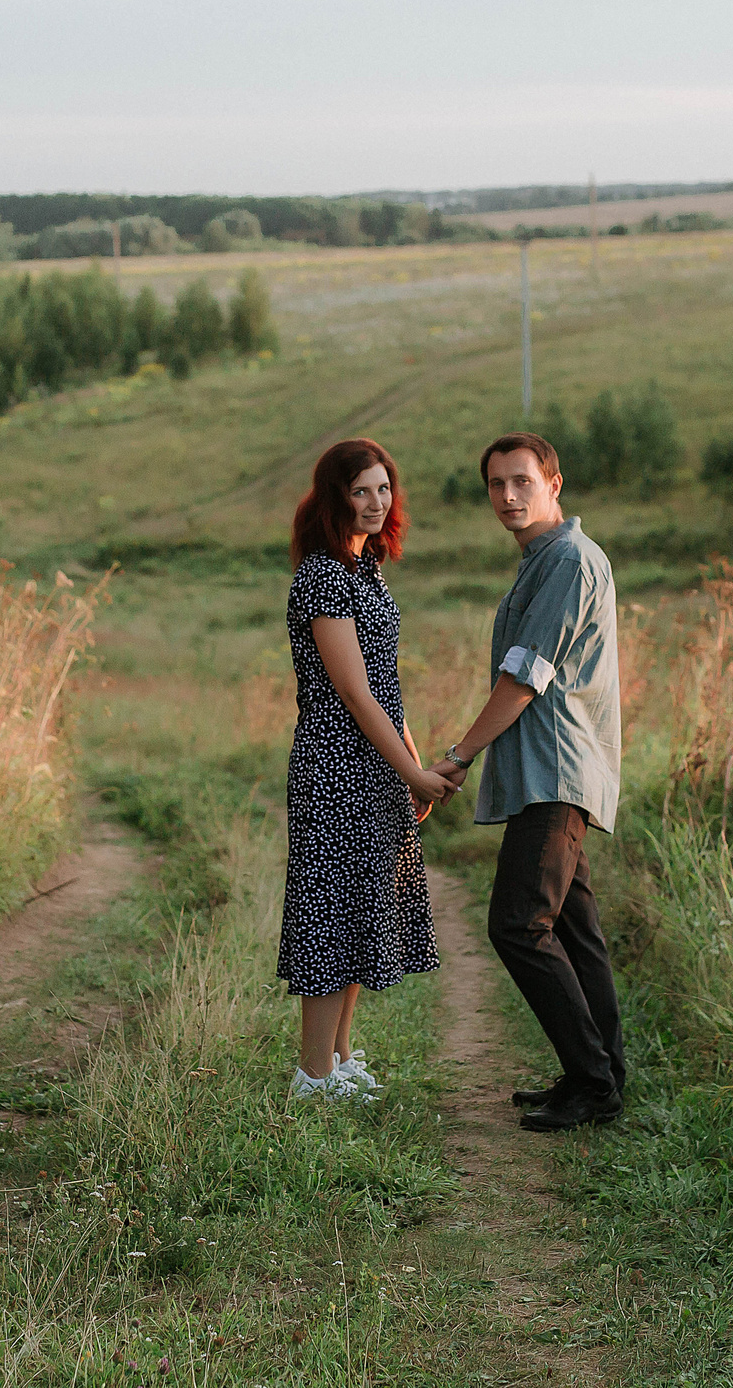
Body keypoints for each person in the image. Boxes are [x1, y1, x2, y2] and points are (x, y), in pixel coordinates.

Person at [429, 432, 626, 1132]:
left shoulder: (569, 560)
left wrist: (458, 754)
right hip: (547, 770)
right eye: (495, 484)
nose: (507, 496)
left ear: (554, 482)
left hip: (557, 771)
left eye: (521, 481)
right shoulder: (543, 559)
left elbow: (525, 676)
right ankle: (598, 1072)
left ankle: (594, 1083)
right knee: (574, 929)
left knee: (517, 924)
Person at [279, 437, 457, 1101]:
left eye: (384, 489)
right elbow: (353, 690)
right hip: (335, 764)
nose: (376, 502)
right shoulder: (324, 575)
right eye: (361, 491)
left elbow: (387, 682)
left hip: (375, 761)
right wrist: (413, 773)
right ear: (335, 497)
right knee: (331, 908)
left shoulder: (366, 568)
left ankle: (340, 1055)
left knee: (360, 904)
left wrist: (409, 762)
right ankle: (311, 1074)